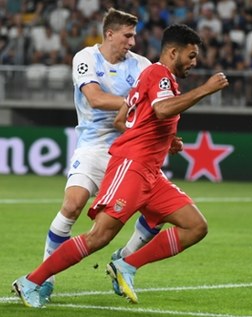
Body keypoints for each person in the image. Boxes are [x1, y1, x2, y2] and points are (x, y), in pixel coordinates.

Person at [12, 23, 229, 308]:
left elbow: (123, 120)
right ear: (173, 52)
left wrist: (166, 140)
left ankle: (126, 265)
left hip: (151, 173)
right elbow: (162, 109)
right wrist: (206, 89)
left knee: (195, 227)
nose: (194, 62)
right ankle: (31, 281)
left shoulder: (153, 77)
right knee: (99, 236)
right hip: (133, 167)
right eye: (191, 55)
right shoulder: (157, 73)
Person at [36, 8, 178, 302]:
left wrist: (167, 137)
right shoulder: (86, 58)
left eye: (134, 35)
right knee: (73, 204)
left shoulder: (141, 65)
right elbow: (96, 98)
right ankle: (45, 279)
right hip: (94, 145)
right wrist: (136, 102)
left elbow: (159, 105)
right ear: (109, 34)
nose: (133, 41)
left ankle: (123, 260)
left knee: (160, 214)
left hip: (133, 148)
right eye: (127, 35)